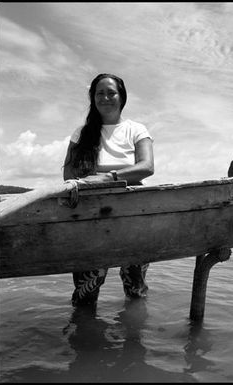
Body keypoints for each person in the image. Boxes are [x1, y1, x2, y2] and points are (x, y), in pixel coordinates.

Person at [63, 73, 154, 306]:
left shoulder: (136, 130)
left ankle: (134, 336)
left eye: (111, 92)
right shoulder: (81, 133)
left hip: (132, 215)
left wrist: (108, 177)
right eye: (99, 93)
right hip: (90, 216)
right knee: (86, 291)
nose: (105, 97)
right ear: (93, 98)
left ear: (122, 97)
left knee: (135, 290)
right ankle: (83, 337)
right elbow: (69, 174)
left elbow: (147, 167)